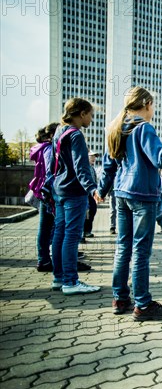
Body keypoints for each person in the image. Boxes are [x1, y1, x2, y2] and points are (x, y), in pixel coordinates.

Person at [98, 86, 162, 321]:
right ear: (146, 104)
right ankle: (143, 305)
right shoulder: (143, 128)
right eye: (153, 105)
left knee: (123, 247)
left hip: (121, 193)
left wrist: (101, 191)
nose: (153, 110)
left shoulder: (116, 128)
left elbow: (109, 165)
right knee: (140, 251)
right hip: (142, 195)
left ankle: (120, 298)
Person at [51, 98, 101, 295]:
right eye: (90, 114)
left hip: (59, 189)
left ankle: (59, 278)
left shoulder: (59, 132)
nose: (91, 119)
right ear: (81, 114)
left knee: (60, 233)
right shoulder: (76, 135)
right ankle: (71, 282)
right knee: (72, 236)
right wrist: (92, 189)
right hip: (74, 191)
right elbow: (82, 166)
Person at [30, 123, 59, 272]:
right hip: (49, 193)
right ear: (51, 135)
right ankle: (45, 260)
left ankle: (44, 259)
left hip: (44, 191)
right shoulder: (49, 149)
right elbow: (50, 173)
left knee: (46, 227)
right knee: (48, 227)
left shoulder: (43, 148)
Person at [83, 150, 100, 239]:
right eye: (91, 156)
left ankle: (87, 230)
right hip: (86, 193)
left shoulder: (92, 167)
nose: (94, 158)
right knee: (86, 213)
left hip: (92, 193)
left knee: (92, 211)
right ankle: (84, 232)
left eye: (94, 157)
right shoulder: (85, 167)